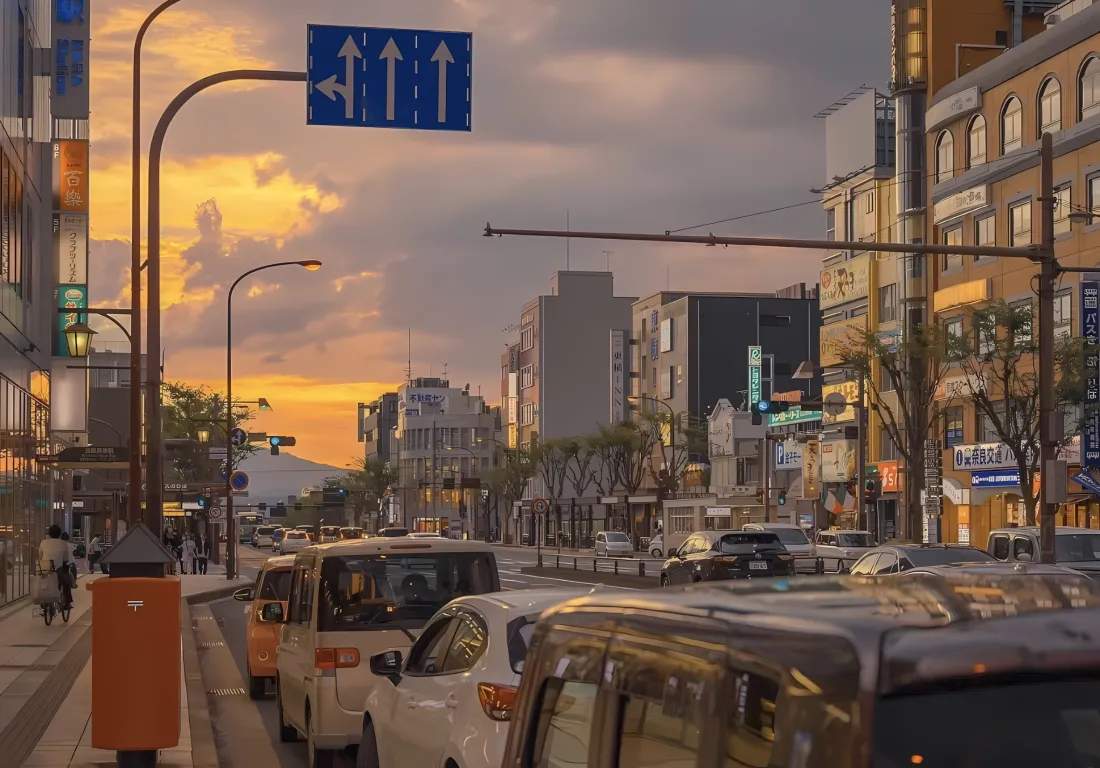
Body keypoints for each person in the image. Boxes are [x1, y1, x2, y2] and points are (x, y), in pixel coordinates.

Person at [39, 525, 72, 609]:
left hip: (45, 569)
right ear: (60, 534)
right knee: (66, 581)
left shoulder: (43, 542)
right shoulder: (63, 543)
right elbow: (65, 559)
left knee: (43, 581)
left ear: (49, 534)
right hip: (58, 569)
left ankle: (43, 601)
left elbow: (40, 556)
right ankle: (67, 603)